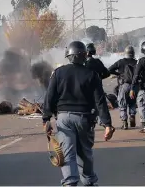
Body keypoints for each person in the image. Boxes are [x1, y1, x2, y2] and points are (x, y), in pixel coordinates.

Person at [42, 41, 115, 186]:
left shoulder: (58, 73)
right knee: (85, 153)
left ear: (68, 56)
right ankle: (89, 182)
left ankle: (70, 183)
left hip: (63, 119)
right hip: (84, 118)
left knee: (67, 152)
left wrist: (46, 119)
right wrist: (107, 124)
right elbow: (100, 101)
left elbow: (49, 97)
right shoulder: (92, 75)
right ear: (84, 56)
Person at [108, 45, 138, 129]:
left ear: (126, 53)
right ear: (133, 53)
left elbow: (109, 69)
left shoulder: (120, 62)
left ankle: (124, 123)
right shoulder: (137, 62)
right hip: (134, 86)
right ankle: (132, 115)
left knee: (122, 103)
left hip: (123, 86)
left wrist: (119, 74)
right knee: (132, 102)